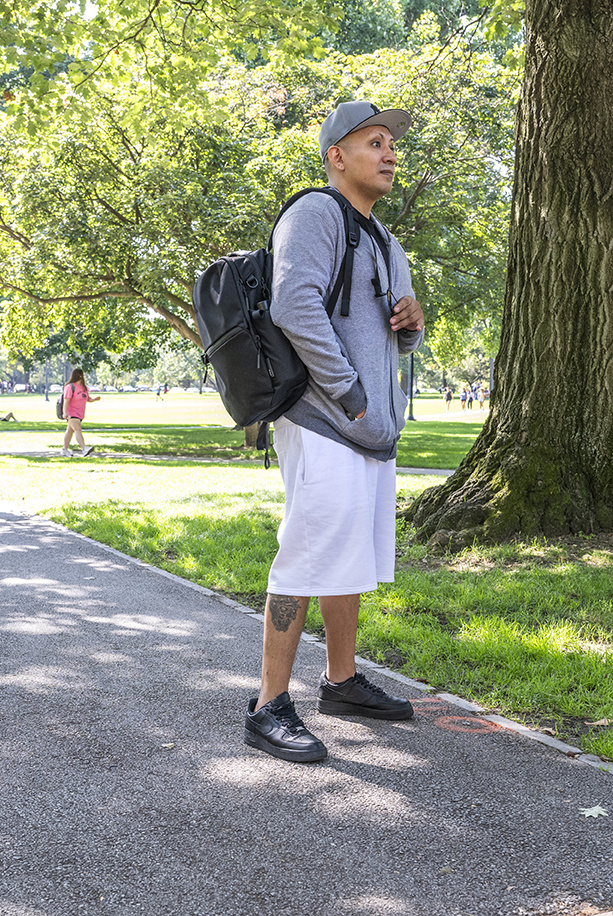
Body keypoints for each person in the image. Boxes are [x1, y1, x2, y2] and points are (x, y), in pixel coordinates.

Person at [243, 100, 425, 764]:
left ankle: (341, 682)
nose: (388, 152)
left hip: (370, 429)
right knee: (308, 551)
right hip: (322, 419)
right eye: (372, 142)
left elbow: (397, 343)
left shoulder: (384, 238)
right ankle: (267, 705)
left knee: (348, 552)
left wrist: (412, 323)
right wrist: (346, 389)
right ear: (335, 156)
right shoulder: (314, 215)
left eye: (391, 144)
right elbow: (294, 303)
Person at [61, 368, 99, 457]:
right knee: (78, 430)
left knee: (69, 431)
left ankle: (64, 449)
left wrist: (94, 399)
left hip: (80, 413)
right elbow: (66, 400)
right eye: (82, 374)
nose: (83, 376)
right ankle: (84, 448)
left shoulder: (84, 387)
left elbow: (87, 398)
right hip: (72, 413)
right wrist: (65, 412)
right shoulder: (70, 387)